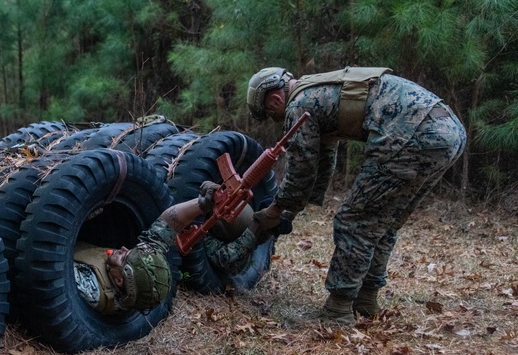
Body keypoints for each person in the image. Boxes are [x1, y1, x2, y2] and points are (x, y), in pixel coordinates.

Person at [245, 66, 466, 325]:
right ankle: (366, 300)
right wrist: (291, 211)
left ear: (275, 100)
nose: (275, 119)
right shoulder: (320, 91)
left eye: (271, 115)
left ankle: (338, 311)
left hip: (414, 134)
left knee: (354, 220)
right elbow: (324, 160)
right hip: (448, 132)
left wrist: (273, 211)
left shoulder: (298, 106)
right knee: (384, 221)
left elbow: (301, 172)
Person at [73, 183, 271, 313]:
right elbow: (165, 226)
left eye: (124, 256)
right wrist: (203, 204)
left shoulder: (91, 288)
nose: (123, 248)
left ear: (118, 279)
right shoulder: (137, 270)